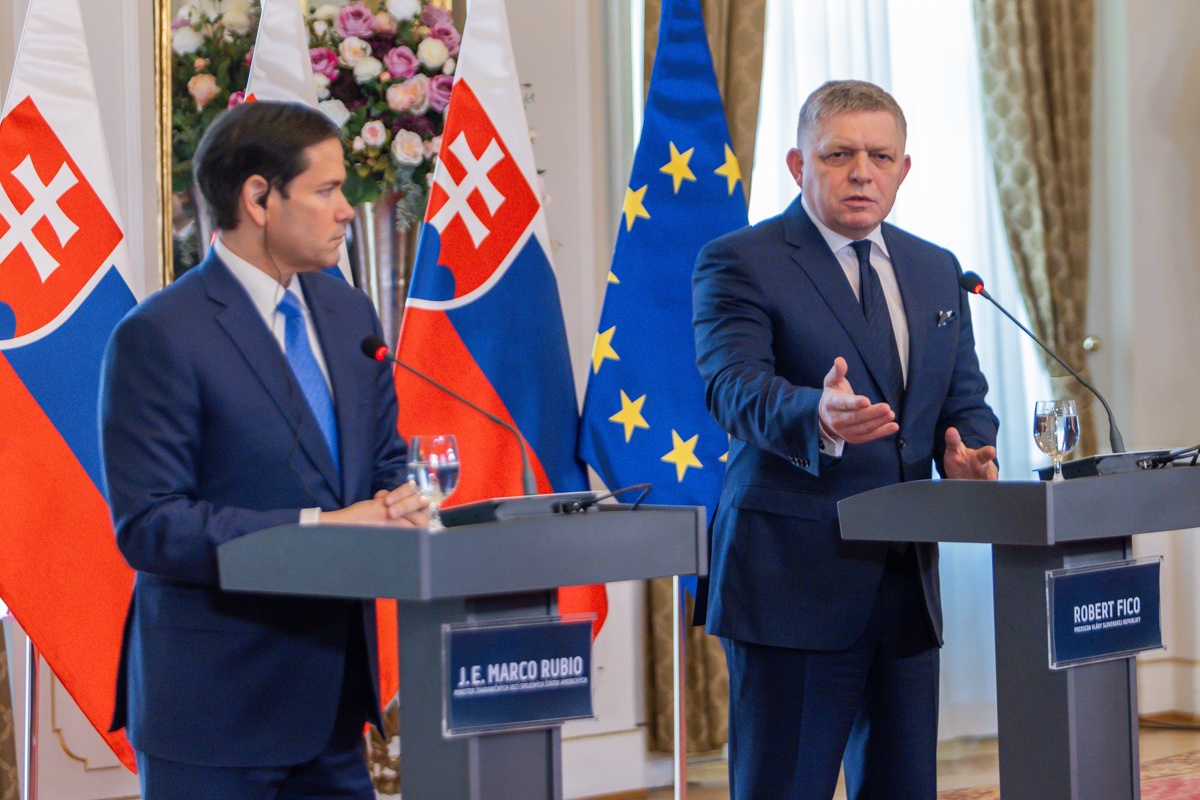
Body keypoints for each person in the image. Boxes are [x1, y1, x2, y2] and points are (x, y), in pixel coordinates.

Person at [99, 100, 430, 799]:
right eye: (327, 190)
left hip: (336, 710)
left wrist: (408, 496)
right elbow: (153, 525)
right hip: (217, 712)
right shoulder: (159, 334)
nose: (347, 209)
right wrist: (320, 528)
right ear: (258, 197)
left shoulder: (349, 314)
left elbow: (383, 460)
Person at [692, 80, 1000, 800]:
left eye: (880, 155)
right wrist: (817, 416)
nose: (863, 170)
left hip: (904, 585)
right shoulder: (740, 259)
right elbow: (731, 388)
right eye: (840, 153)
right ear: (799, 166)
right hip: (791, 578)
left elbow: (964, 398)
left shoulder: (936, 268)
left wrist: (968, 454)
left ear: (903, 169)